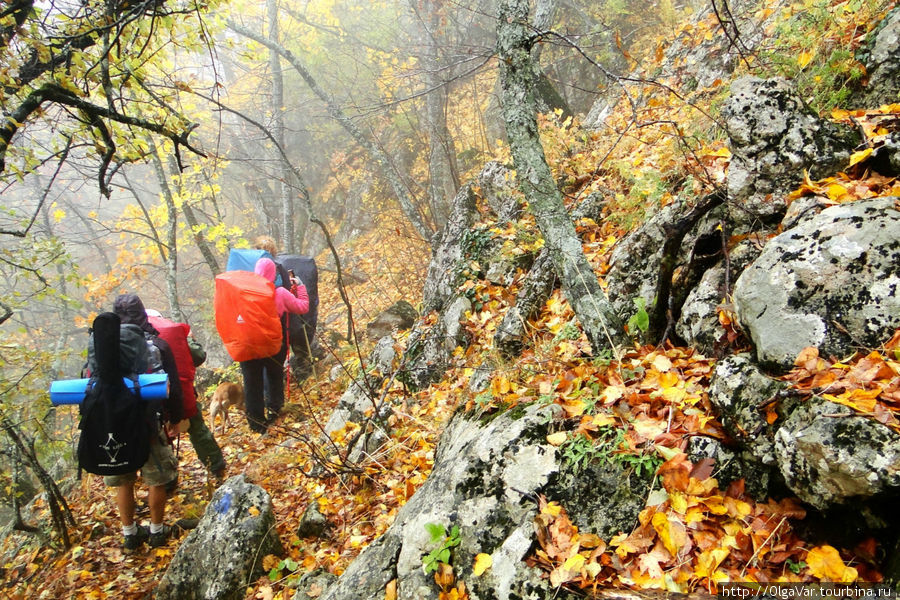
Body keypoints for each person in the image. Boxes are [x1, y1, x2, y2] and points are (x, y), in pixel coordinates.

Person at [111, 293, 184, 550]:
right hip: (148, 424)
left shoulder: (103, 347)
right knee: (157, 479)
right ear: (143, 314)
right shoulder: (156, 345)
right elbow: (172, 388)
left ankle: (129, 534)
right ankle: (156, 531)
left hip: (115, 427)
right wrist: (175, 419)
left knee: (124, 481)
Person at [145, 308, 227, 482]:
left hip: (148, 397)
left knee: (158, 438)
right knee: (197, 428)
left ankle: (166, 482)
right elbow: (198, 356)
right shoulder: (171, 329)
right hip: (180, 391)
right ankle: (216, 466)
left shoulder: (128, 335)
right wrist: (190, 340)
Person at [239, 257, 309, 434]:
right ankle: (275, 411)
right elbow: (303, 307)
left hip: (248, 345)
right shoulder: (279, 293)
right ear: (274, 274)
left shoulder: (243, 293)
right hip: (272, 344)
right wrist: (300, 287)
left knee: (251, 383)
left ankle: (256, 424)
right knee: (274, 376)